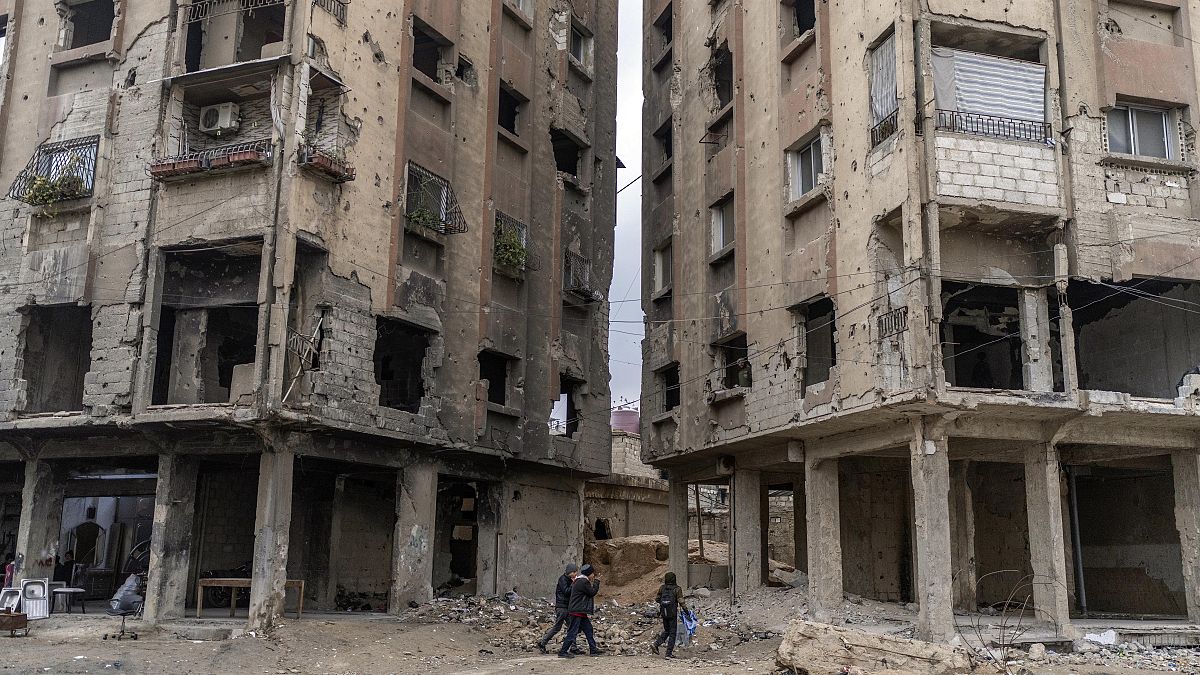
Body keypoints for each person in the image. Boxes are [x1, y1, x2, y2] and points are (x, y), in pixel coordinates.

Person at [558, 564, 603, 658]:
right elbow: (592, 592)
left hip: (579, 610)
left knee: (588, 629)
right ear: (588, 574)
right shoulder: (583, 582)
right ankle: (563, 651)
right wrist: (597, 582)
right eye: (592, 574)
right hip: (577, 610)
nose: (593, 576)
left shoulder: (579, 580)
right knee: (572, 631)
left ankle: (593, 649)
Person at [536, 563, 578, 654]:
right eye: (574, 572)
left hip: (567, 607)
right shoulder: (563, 579)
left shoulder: (569, 580)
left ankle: (573, 646)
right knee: (557, 627)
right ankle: (543, 643)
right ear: (569, 572)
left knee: (572, 627)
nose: (575, 574)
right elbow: (566, 592)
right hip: (562, 607)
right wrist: (574, 584)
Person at [651, 571, 687, 658]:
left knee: (667, 630)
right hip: (672, 613)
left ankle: (656, 644)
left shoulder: (662, 588)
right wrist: (686, 611)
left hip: (664, 612)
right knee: (672, 632)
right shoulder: (677, 589)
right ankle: (668, 653)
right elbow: (681, 601)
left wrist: (664, 603)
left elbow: (657, 599)